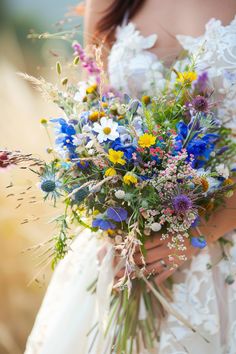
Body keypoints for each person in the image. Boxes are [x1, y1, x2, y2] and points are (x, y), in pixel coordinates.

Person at [25, 1, 236, 353]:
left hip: (221, 253)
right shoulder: (108, 4)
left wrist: (197, 232)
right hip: (125, 247)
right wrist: (114, 218)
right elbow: (96, 118)